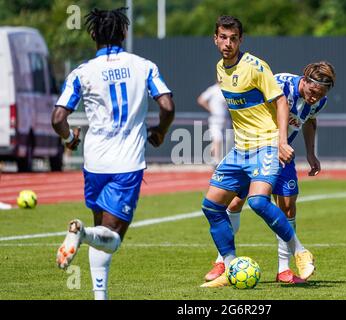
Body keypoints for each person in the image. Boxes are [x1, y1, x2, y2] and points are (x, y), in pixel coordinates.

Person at [51, 7, 175, 300]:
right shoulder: (144, 66)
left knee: (101, 232)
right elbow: (167, 106)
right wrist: (160, 132)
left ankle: (99, 296)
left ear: (93, 34)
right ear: (124, 33)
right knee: (112, 238)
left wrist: (69, 139)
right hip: (127, 163)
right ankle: (80, 234)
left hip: (94, 162)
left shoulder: (82, 72)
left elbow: (58, 117)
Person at [200, 15, 314, 288]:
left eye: (233, 38)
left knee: (259, 202)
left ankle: (300, 251)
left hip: (265, 145)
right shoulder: (219, 68)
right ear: (215, 39)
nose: (227, 43)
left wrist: (282, 141)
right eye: (223, 37)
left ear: (241, 40)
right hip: (240, 149)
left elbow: (281, 103)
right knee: (211, 206)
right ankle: (228, 265)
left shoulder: (255, 67)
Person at [204, 63, 336, 284]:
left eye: (321, 94)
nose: (315, 98)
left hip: (282, 156)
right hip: (256, 149)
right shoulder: (280, 83)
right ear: (304, 80)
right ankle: (224, 262)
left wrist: (311, 154)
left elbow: (310, 120)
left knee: (286, 205)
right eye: (313, 92)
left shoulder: (319, 100)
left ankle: (284, 270)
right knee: (234, 203)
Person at [197, 83, 232, 165]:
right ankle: (216, 161)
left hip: (225, 119)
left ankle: (215, 157)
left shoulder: (228, 89)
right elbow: (201, 100)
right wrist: (211, 109)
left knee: (224, 140)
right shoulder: (213, 89)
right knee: (217, 138)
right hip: (215, 119)